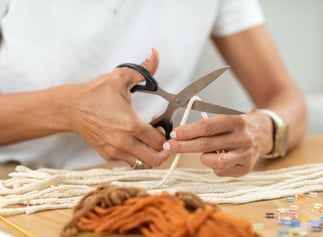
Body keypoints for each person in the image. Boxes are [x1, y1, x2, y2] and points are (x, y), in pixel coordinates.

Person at [0, 0, 307, 177]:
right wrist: (67, 109)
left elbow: (285, 98)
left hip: (139, 182)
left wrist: (263, 130)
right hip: (15, 183)